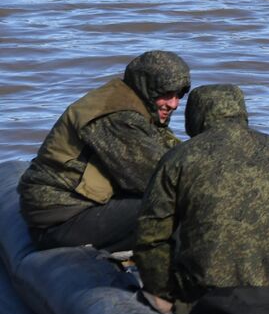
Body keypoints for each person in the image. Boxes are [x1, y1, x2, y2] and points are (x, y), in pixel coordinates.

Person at [133, 84, 269, 314]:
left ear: (194, 116)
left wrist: (167, 294)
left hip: (207, 295)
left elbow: (150, 236)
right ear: (241, 111)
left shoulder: (178, 158)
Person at [18, 50, 190, 251]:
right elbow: (158, 180)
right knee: (177, 206)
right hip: (60, 221)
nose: (174, 104)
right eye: (166, 94)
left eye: (179, 95)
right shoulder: (119, 118)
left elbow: (171, 152)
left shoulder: (133, 102)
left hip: (70, 210)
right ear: (147, 87)